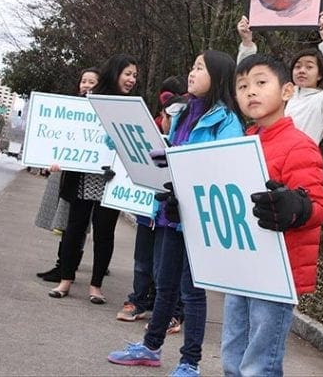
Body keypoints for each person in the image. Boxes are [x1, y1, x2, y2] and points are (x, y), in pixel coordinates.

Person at [108, 50, 244, 377]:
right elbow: (177, 153)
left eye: (199, 68)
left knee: (192, 293)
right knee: (164, 284)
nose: (192, 73)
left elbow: (225, 168)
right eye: (192, 66)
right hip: (171, 211)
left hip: (198, 219)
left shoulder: (226, 121)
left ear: (219, 76)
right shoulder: (183, 112)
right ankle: (151, 347)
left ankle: (189, 362)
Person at [221, 53, 323, 376]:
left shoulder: (300, 145)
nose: (250, 91)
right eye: (242, 86)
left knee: (259, 363)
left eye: (260, 82)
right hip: (243, 264)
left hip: (277, 272)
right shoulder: (243, 142)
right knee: (231, 354)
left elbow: (318, 207)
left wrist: (295, 206)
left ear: (287, 92)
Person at [48, 55, 139, 303]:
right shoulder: (87, 102)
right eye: (127, 73)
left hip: (110, 182)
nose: (132, 79)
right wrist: (58, 157)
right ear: (115, 72)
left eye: (134, 75)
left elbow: (132, 147)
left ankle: (96, 286)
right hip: (82, 177)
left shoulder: (132, 108)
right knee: (73, 230)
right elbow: (68, 134)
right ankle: (65, 280)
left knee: (104, 233)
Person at [116, 92, 187, 337]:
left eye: (169, 115)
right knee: (143, 261)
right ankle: (140, 301)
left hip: (169, 215)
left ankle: (171, 312)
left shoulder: (181, 144)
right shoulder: (150, 139)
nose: (165, 119)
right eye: (164, 114)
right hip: (149, 213)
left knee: (165, 267)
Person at [236, 11, 323, 144]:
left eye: (309, 67)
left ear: (320, 74)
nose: (302, 71)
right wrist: (247, 42)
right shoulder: (281, 95)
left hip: (299, 159)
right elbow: (247, 81)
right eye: (297, 67)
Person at [35, 67, 100, 283]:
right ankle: (61, 266)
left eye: (92, 82)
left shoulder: (101, 112)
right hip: (66, 174)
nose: (87, 86)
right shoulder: (68, 108)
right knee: (65, 223)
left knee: (75, 225)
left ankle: (66, 268)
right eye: (84, 81)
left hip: (85, 180)